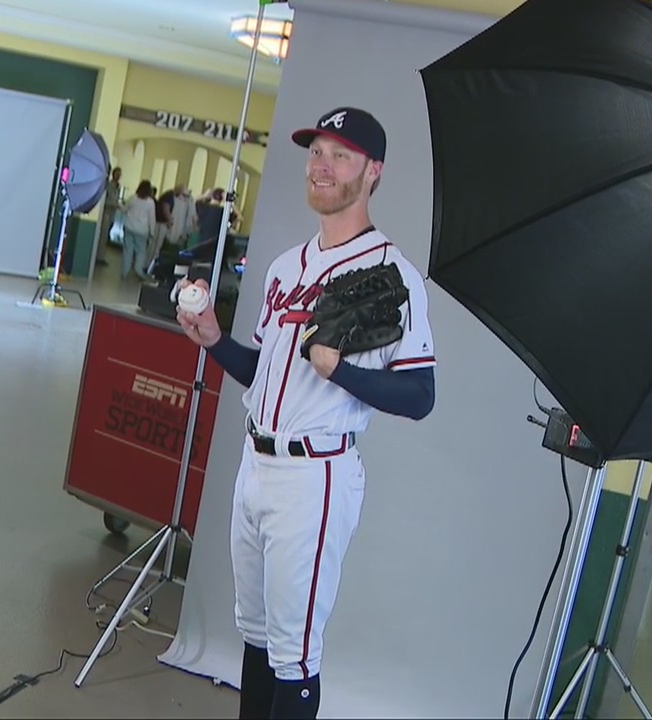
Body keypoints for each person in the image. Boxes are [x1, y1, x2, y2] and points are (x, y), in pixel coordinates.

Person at [176, 107, 436, 719]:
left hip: (316, 476)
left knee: (293, 655)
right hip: (256, 462)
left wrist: (340, 370)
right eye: (316, 151)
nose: (321, 164)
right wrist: (214, 341)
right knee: (257, 635)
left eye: (340, 155)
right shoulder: (285, 266)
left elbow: (420, 395)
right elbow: (265, 369)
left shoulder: (391, 274)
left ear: (373, 172)